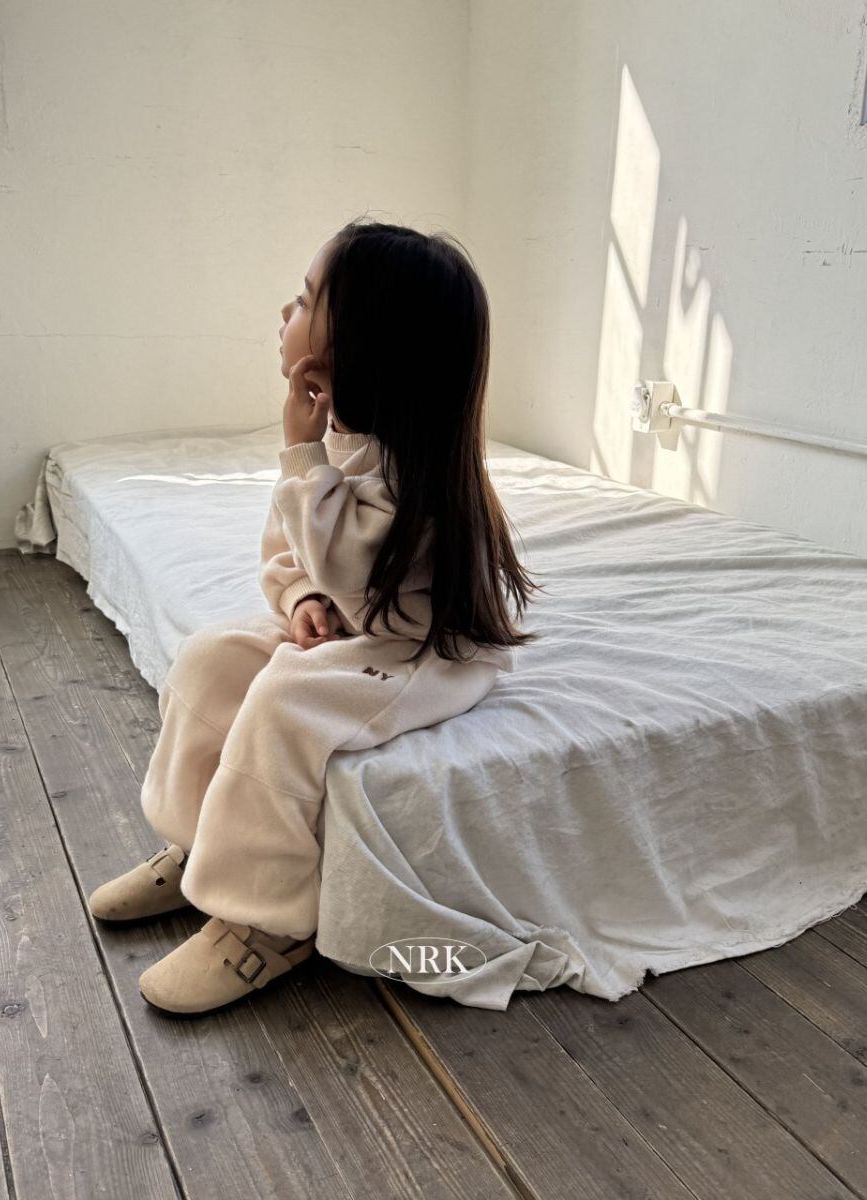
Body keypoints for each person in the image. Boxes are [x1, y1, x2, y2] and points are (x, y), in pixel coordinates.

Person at [88, 217, 541, 1017]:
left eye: (303, 300)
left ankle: (267, 919)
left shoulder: (418, 474)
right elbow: (290, 550)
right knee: (210, 659)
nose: (284, 314)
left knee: (283, 705)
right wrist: (300, 600)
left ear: (364, 341)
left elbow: (357, 566)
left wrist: (303, 461)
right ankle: (200, 847)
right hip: (360, 625)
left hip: (422, 653)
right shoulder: (338, 435)